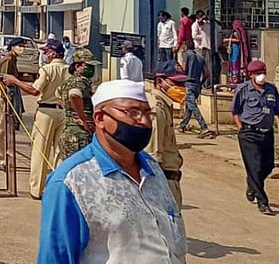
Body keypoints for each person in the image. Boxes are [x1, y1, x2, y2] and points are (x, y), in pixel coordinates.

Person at [37, 79, 187, 263]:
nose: (145, 122)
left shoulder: (152, 168)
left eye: (148, 114)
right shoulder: (71, 183)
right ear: (100, 118)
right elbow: (55, 257)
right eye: (133, 113)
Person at [2, 41, 70, 199]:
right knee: (60, 153)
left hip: (46, 111)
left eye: (48, 52)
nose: (46, 54)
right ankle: (59, 189)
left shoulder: (47, 69)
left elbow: (34, 90)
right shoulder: (69, 70)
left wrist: (15, 81)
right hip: (64, 112)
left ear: (54, 53)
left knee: (40, 150)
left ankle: (36, 190)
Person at [232, 60, 279, 215]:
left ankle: (252, 184)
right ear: (251, 75)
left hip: (266, 133)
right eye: (258, 73)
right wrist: (240, 128)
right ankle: (263, 202)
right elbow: (235, 111)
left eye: (263, 72)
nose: (261, 76)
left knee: (267, 166)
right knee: (255, 166)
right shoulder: (243, 89)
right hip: (249, 134)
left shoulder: (271, 90)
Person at [149, 61, 187, 207]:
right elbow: (154, 156)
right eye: (176, 83)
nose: (181, 88)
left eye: (182, 84)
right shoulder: (157, 109)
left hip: (171, 179)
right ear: (160, 82)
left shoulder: (165, 106)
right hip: (164, 181)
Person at [59, 48, 100, 158]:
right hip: (79, 134)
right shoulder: (79, 81)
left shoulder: (69, 81)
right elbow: (74, 95)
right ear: (77, 66)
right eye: (88, 66)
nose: (91, 69)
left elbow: (60, 96)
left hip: (71, 131)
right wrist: (83, 119)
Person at [0, 38, 26, 168]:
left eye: (23, 46)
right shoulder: (7, 59)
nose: (21, 48)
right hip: (4, 95)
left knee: (8, 127)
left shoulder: (13, 59)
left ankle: (6, 156)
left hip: (11, 94)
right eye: (19, 45)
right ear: (12, 47)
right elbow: (2, 77)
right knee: (1, 127)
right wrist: (5, 95)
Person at [178, 39, 215, 138]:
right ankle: (182, 125)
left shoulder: (186, 55)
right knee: (189, 106)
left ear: (186, 46)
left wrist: (179, 69)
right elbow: (206, 73)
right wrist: (202, 82)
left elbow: (185, 69)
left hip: (189, 82)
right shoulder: (200, 57)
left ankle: (204, 127)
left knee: (193, 106)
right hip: (197, 84)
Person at [192, 10, 221, 86]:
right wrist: (203, 18)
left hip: (214, 48)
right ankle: (207, 83)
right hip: (206, 48)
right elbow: (199, 22)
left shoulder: (213, 24)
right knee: (207, 68)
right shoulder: (203, 24)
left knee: (216, 67)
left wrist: (214, 20)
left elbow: (220, 28)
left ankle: (214, 83)